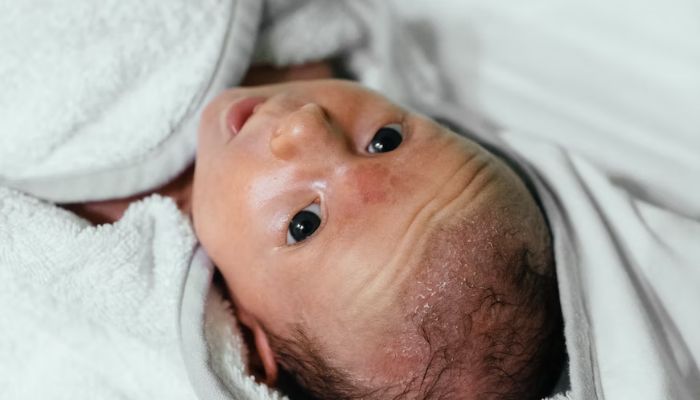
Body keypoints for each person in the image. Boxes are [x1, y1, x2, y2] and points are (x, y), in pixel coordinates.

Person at [67, 71, 565, 399]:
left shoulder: (95, 232)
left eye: (305, 223)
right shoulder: (300, 53)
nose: (306, 126)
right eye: (384, 141)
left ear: (246, 335)